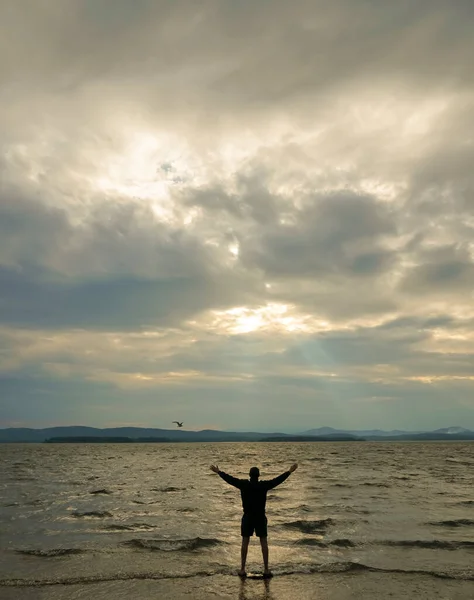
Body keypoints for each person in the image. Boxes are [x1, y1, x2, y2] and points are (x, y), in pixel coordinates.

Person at [210, 462, 298, 577]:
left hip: (247, 517)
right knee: (263, 542)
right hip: (260, 517)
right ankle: (266, 569)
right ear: (258, 475)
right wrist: (289, 471)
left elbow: (230, 479)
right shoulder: (263, 485)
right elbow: (277, 480)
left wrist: (218, 472)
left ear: (249, 475)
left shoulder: (244, 484)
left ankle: (242, 569)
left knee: (245, 542)